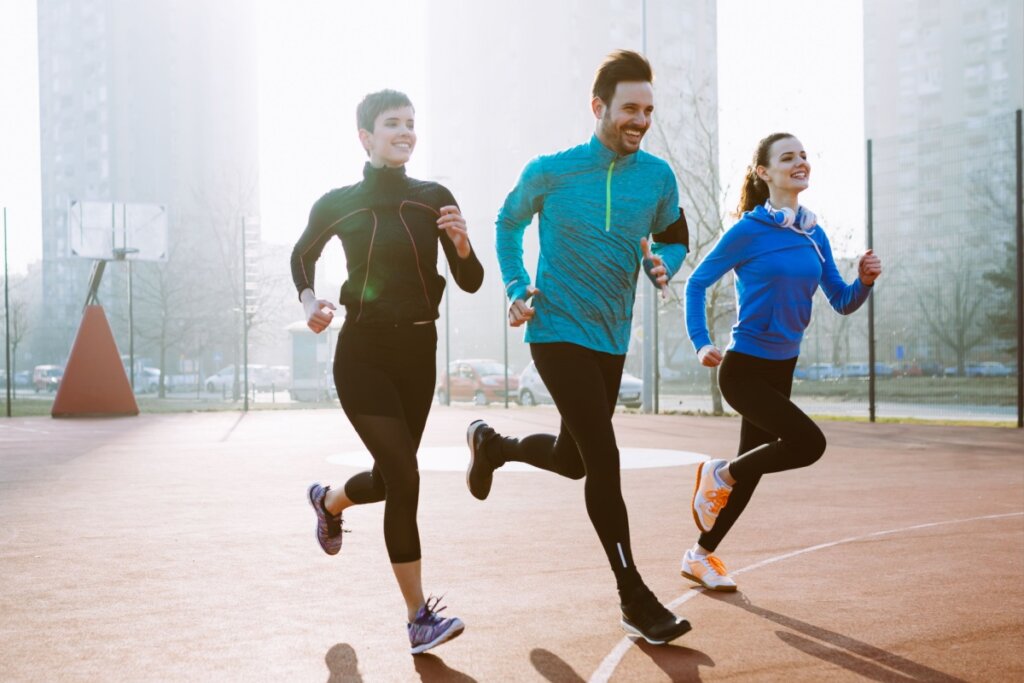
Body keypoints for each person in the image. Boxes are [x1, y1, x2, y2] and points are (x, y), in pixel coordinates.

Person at [463, 50, 692, 645]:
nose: (640, 120)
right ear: (599, 108)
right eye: (628, 109)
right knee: (604, 454)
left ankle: (493, 445)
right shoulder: (551, 170)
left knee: (574, 460)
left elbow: (674, 236)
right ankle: (634, 595)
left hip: (611, 336)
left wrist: (663, 265)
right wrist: (517, 285)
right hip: (556, 328)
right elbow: (507, 222)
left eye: (648, 110)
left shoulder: (657, 178)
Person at [290, 89, 483, 654]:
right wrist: (309, 302)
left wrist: (463, 244)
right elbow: (302, 255)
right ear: (366, 137)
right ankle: (418, 617)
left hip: (419, 356)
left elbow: (468, 281)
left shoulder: (434, 198)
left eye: (411, 123)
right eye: (392, 123)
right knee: (406, 478)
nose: (405, 132)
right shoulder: (339, 202)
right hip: (364, 354)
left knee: (392, 475)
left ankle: (328, 502)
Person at [681, 132, 882, 592]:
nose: (800, 162)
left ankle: (699, 555)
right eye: (787, 157)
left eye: (804, 155)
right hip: (744, 369)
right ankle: (719, 473)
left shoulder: (814, 234)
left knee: (751, 471)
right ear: (764, 173)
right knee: (808, 444)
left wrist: (864, 282)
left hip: (781, 369)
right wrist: (699, 341)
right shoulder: (748, 231)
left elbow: (841, 300)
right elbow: (697, 283)